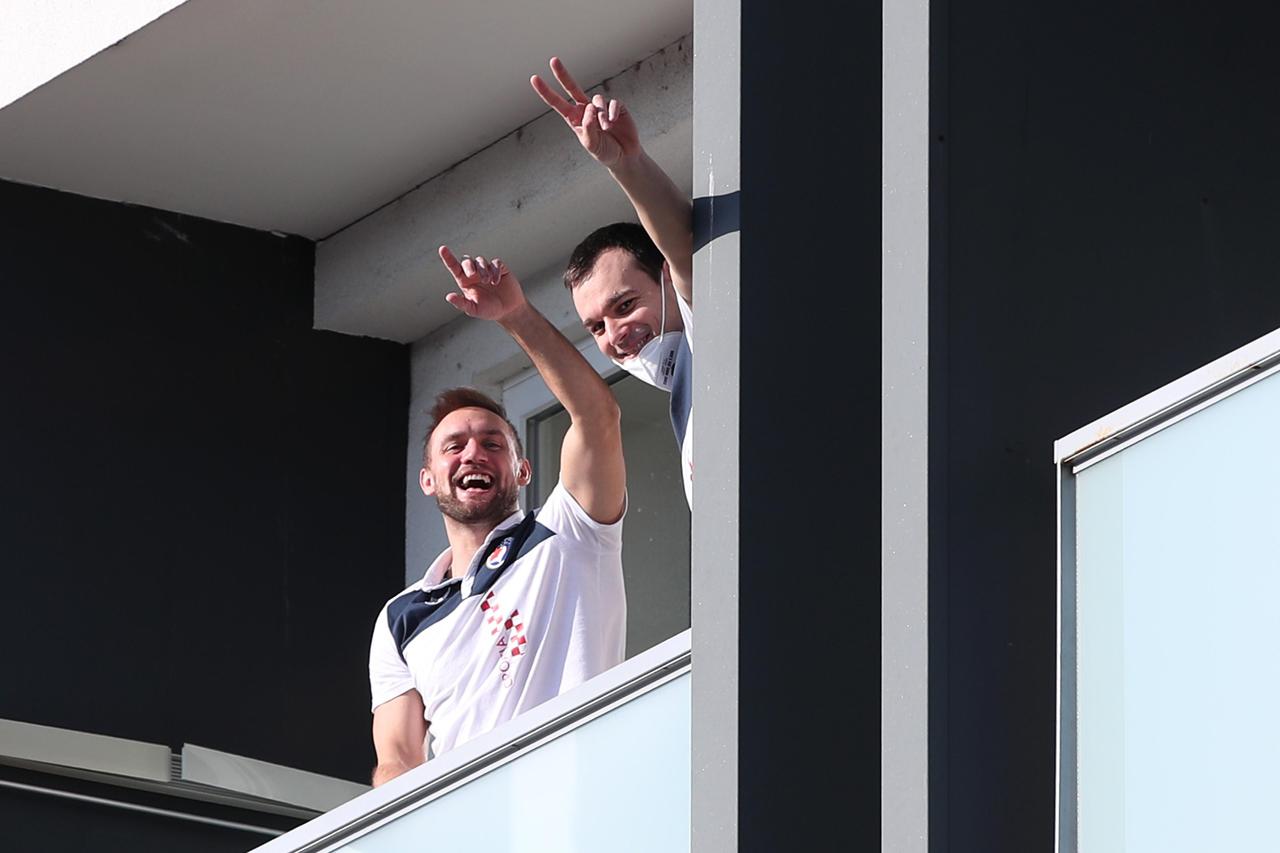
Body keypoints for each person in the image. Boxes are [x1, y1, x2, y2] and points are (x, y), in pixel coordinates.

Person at [368, 247, 627, 786]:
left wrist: (515, 315)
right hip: (474, 820)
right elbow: (397, 760)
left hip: (581, 798)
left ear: (523, 470)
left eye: (492, 444)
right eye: (454, 447)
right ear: (428, 480)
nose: (473, 455)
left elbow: (596, 415)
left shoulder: (568, 532)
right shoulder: (400, 617)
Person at [531, 58, 696, 506]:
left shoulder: (713, 327)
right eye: (597, 327)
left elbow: (682, 244)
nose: (615, 335)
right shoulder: (688, 398)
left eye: (624, 306)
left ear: (667, 277)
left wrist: (626, 163)